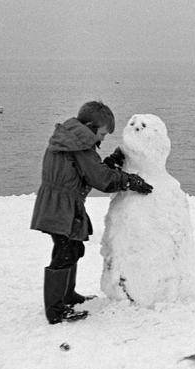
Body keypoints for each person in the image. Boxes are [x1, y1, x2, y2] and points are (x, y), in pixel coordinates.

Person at [30, 101, 153, 324]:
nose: (103, 139)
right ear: (90, 126)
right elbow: (101, 179)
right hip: (61, 206)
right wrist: (130, 181)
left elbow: (88, 171)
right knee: (64, 252)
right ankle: (56, 310)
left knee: (73, 248)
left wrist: (111, 162)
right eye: (103, 133)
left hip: (60, 203)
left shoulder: (72, 140)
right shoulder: (79, 146)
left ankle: (67, 295)